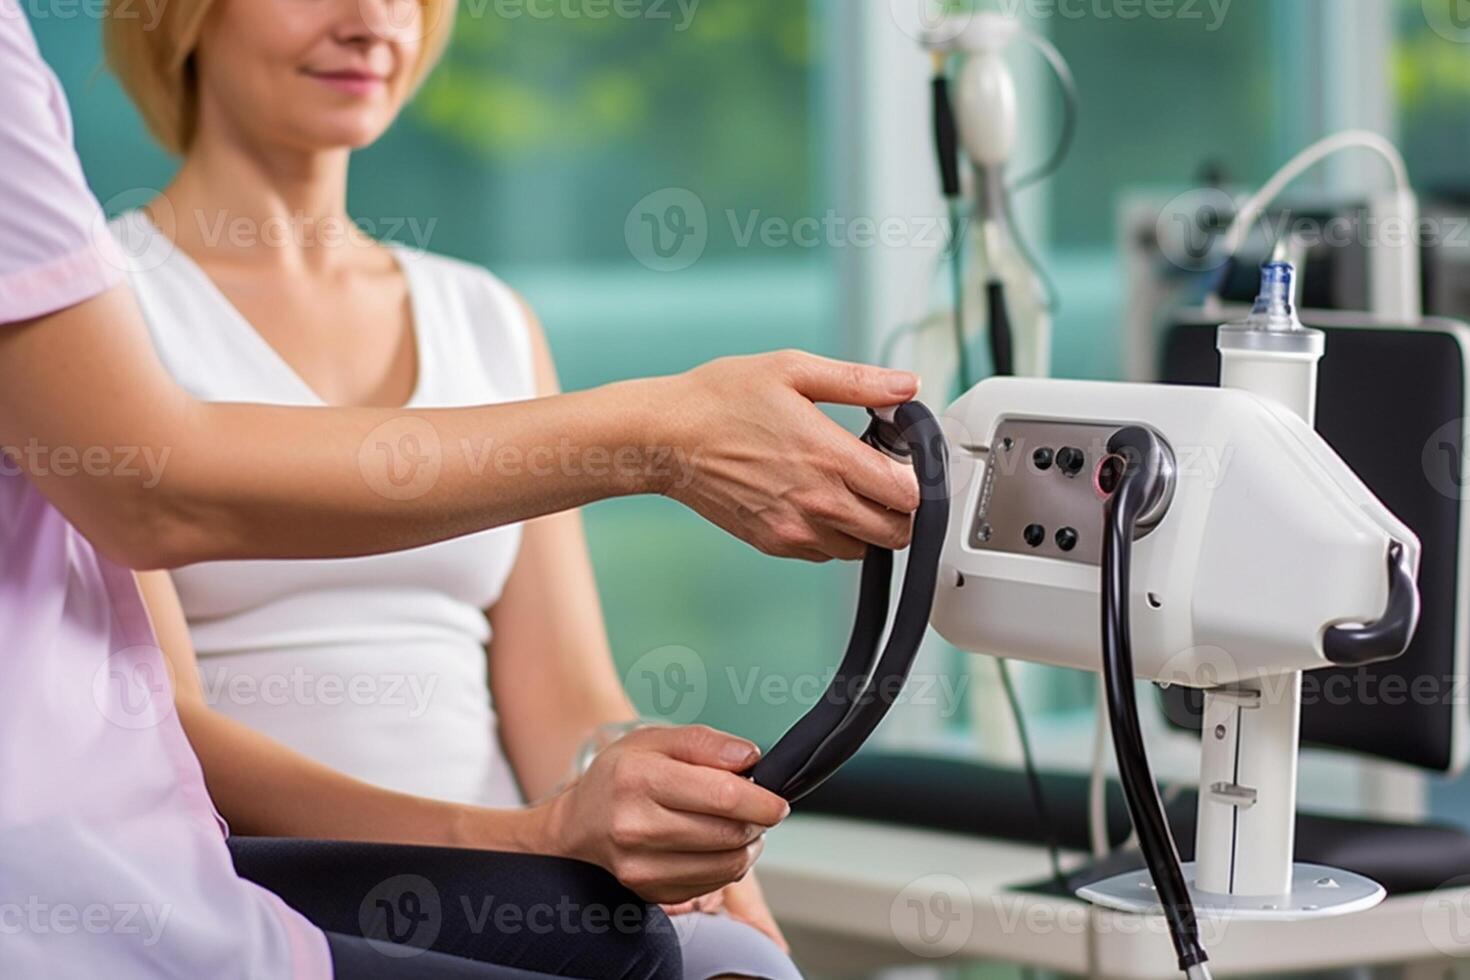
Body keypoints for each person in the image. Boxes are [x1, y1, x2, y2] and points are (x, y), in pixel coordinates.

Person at [0, 2, 922, 977]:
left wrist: (639, 793)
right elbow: (176, 736)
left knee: (743, 960)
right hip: (297, 885)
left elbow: (566, 695)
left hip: (543, 868)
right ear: (185, 19)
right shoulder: (99, 335)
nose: (371, 23)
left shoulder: (483, 316)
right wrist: (522, 837)